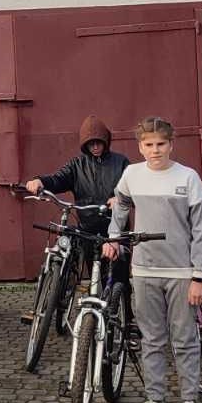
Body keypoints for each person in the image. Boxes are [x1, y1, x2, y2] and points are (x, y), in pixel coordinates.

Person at [103, 117, 202, 403]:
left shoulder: (188, 178)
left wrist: (199, 275)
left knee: (185, 339)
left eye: (161, 144)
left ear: (171, 144)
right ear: (140, 147)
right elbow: (121, 203)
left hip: (181, 273)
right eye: (148, 145)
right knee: (151, 339)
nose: (155, 151)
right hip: (144, 270)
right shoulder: (132, 174)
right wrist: (113, 235)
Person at [24, 115, 131, 318]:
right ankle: (97, 319)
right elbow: (58, 179)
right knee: (95, 276)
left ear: (106, 140)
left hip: (115, 227)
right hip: (88, 229)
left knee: (120, 278)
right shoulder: (77, 165)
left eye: (99, 142)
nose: (95, 147)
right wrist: (40, 181)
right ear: (84, 144)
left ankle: (128, 320)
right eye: (90, 143)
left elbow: (132, 186)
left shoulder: (121, 162)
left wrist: (120, 198)